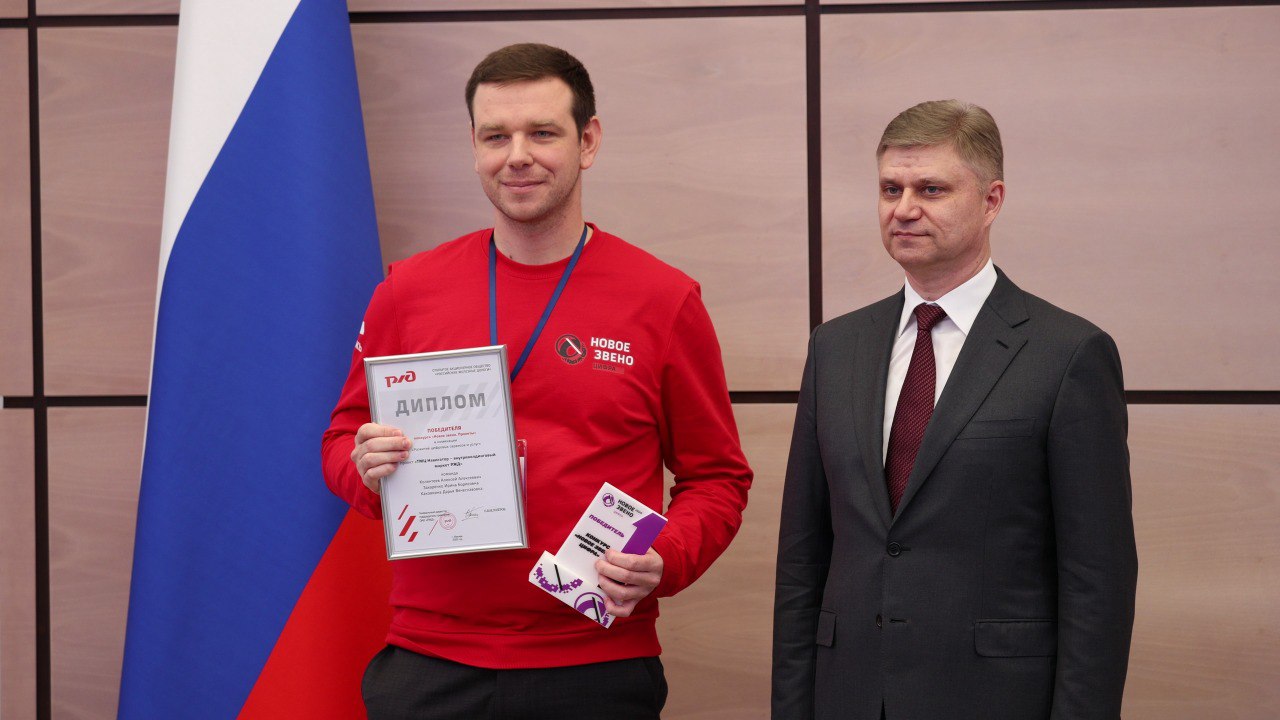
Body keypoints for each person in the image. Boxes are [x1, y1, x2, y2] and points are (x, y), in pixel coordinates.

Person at [322, 43, 752, 719]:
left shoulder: (663, 300)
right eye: (496, 136)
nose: (517, 156)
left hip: (594, 664)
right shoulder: (407, 292)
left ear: (589, 141)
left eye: (543, 133)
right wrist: (363, 469)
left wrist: (664, 558)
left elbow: (718, 477)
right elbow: (341, 440)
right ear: (473, 146)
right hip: (430, 663)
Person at [772, 100, 1137, 720]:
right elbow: (802, 559)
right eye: (891, 189)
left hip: (995, 698)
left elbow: (1097, 579)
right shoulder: (835, 348)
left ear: (992, 200)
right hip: (848, 694)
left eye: (931, 189)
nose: (904, 208)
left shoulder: (1068, 353)